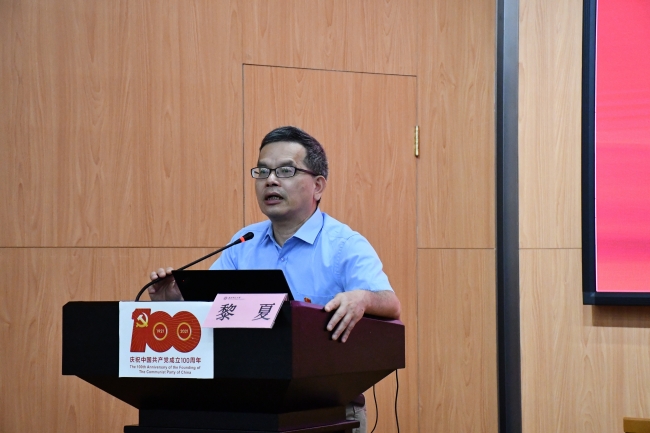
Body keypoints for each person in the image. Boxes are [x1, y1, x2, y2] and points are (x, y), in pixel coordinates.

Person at [148, 126, 401, 433]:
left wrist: (362, 298)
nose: (270, 180)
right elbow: (211, 309)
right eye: (262, 171)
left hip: (328, 410)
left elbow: (390, 303)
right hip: (249, 408)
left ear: (318, 186)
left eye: (285, 171)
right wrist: (175, 302)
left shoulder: (344, 245)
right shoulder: (244, 242)